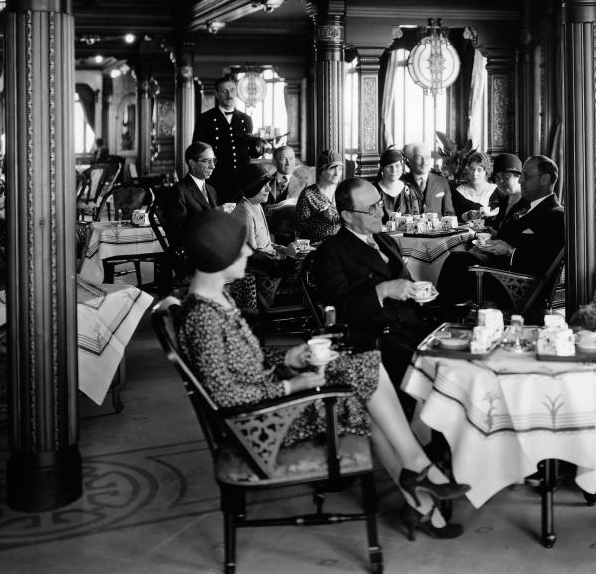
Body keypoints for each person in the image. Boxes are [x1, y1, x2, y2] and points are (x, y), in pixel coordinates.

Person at [176, 209, 469, 538]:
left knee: (364, 368)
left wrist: (289, 356)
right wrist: (292, 384)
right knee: (364, 374)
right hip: (261, 424)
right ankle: (422, 476)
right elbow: (228, 397)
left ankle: (421, 501)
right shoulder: (203, 317)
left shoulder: (215, 300)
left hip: (267, 406)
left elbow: (246, 366)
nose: (247, 252)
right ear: (219, 255)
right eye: (239, 247)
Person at [312, 177, 435, 391]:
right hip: (376, 338)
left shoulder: (385, 240)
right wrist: (382, 291)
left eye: (379, 204)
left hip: (413, 324)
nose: (382, 213)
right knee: (431, 372)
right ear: (348, 216)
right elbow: (337, 311)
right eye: (371, 209)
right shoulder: (332, 252)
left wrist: (419, 292)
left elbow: (404, 282)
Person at [435, 155, 565, 308]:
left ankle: (440, 312)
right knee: (458, 259)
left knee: (458, 261)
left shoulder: (555, 215)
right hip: (501, 270)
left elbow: (543, 262)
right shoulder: (529, 207)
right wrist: (497, 237)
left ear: (544, 180)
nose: (521, 180)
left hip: (516, 283)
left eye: (526, 177)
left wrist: (509, 251)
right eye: (521, 175)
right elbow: (519, 238)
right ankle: (444, 310)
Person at [192, 75, 263, 204]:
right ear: (217, 94)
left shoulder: (246, 119)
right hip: (216, 180)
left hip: (241, 181)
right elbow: (196, 150)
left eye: (232, 90)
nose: (229, 94)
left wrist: (259, 144)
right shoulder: (205, 119)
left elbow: (252, 153)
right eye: (224, 91)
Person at [231, 162, 297, 294]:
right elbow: (252, 258)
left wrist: (282, 249)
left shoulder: (256, 205)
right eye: (264, 185)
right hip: (266, 277)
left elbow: (264, 243)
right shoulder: (245, 212)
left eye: (268, 184)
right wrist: (288, 258)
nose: (268, 189)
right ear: (252, 188)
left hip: (272, 263)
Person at [159, 141, 219, 245]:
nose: (213, 166)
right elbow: (177, 233)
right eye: (207, 161)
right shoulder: (178, 191)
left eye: (213, 160)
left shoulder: (211, 190)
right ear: (192, 163)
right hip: (194, 253)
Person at [295, 149, 344, 243]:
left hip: (342, 243)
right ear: (322, 170)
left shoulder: (344, 191)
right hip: (316, 245)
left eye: (340, 169)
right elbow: (300, 228)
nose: (337, 174)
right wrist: (322, 216)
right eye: (333, 168)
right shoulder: (308, 194)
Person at [264, 144, 308, 242]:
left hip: (291, 240)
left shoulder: (303, 186)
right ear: (275, 161)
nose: (289, 163)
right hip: (266, 238)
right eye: (283, 159)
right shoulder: (265, 183)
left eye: (291, 158)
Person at [403, 143, 453, 216]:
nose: (425, 162)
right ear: (410, 160)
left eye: (427, 157)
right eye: (419, 158)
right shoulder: (401, 182)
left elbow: (449, 213)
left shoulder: (442, 182)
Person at [374, 147, 421, 223]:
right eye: (389, 166)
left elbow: (416, 217)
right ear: (382, 168)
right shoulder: (374, 191)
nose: (394, 170)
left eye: (397, 166)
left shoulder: (409, 190)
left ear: (402, 166)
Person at [450, 151, 501, 221]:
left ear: (486, 171)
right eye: (471, 169)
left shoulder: (496, 190)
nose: (474, 173)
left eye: (479, 170)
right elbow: (455, 218)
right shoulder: (458, 192)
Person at [486, 152, 522, 230]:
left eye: (506, 176)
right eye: (497, 177)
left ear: (519, 177)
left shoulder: (528, 203)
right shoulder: (503, 201)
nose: (501, 181)